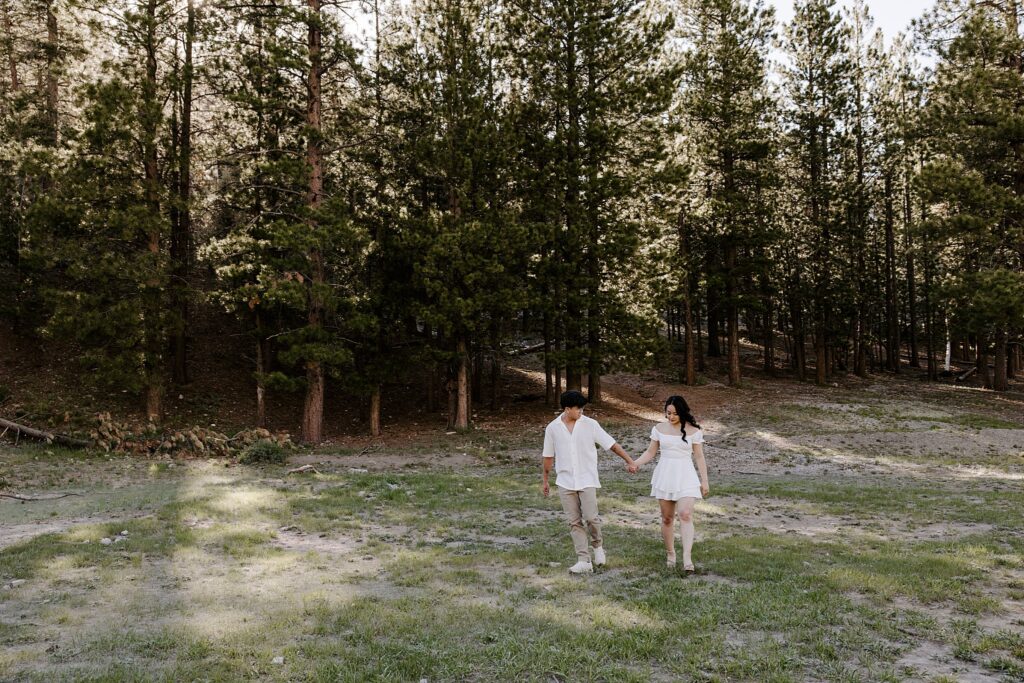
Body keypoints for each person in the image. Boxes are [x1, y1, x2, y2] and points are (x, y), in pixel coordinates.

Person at [542, 389, 637, 574]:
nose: (581, 413)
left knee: (591, 517)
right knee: (574, 521)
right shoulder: (552, 428)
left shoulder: (590, 425)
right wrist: (545, 481)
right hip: (565, 481)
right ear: (567, 409)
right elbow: (547, 456)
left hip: (587, 479)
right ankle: (584, 560)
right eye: (579, 409)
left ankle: (598, 546)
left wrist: (630, 461)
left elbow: (612, 445)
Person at [632, 395, 708, 572]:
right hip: (665, 474)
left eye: (674, 413)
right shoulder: (659, 428)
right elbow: (651, 452)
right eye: (668, 413)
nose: (671, 417)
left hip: (686, 475)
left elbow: (699, 456)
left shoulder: (694, 431)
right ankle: (670, 553)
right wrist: (635, 463)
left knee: (686, 514)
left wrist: (704, 481)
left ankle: (687, 558)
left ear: (682, 412)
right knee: (667, 518)